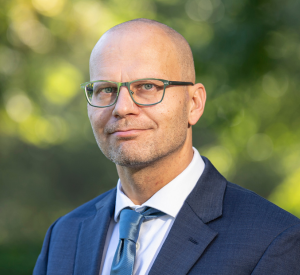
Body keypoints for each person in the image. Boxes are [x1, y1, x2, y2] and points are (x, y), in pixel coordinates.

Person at [33, 19, 300, 275]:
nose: (122, 108)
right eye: (106, 89)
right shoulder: (64, 236)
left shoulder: (273, 240)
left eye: (147, 86)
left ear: (194, 103)